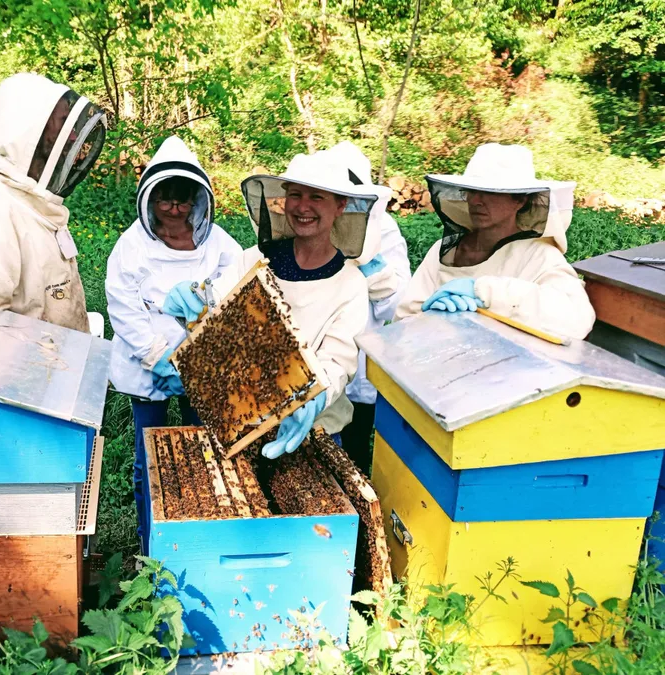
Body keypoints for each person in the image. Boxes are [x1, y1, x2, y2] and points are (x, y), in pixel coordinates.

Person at [162, 146, 391, 460]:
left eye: (317, 197)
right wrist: (195, 300)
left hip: (313, 432)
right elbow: (215, 305)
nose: (303, 207)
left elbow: (338, 363)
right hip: (244, 421)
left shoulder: (351, 284)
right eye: (296, 194)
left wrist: (313, 400)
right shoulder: (255, 260)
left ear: (340, 206)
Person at [106, 136, 242, 549]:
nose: (174, 209)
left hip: (203, 362)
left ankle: (197, 523)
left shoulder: (217, 241)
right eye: (165, 200)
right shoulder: (130, 246)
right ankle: (150, 537)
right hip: (150, 368)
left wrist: (204, 292)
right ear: (150, 200)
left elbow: (238, 276)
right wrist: (158, 358)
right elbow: (123, 306)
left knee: (202, 445)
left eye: (182, 201)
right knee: (150, 453)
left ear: (198, 201)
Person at [0, 73, 106, 333]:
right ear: (30, 129)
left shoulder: (32, 199)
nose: (72, 137)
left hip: (58, 364)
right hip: (29, 370)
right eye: (62, 122)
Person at [394, 143, 595, 340]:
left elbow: (576, 319)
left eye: (490, 192)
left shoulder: (540, 255)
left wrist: (483, 291)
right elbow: (402, 319)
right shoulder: (443, 250)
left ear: (520, 200)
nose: (476, 201)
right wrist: (429, 317)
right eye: (471, 191)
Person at [325, 143, 412, 471]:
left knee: (354, 457)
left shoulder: (384, 229)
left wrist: (374, 270)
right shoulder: (307, 223)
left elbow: (399, 308)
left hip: (359, 365)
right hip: (315, 361)